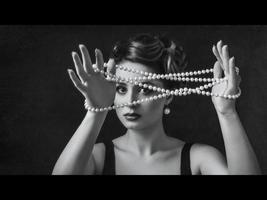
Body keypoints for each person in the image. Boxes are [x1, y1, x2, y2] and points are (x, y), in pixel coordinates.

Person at [52, 33, 261, 175]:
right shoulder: (97, 156)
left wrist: (227, 113)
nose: (130, 102)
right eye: (121, 89)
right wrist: (96, 112)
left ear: (168, 95)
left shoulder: (199, 158)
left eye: (146, 88)